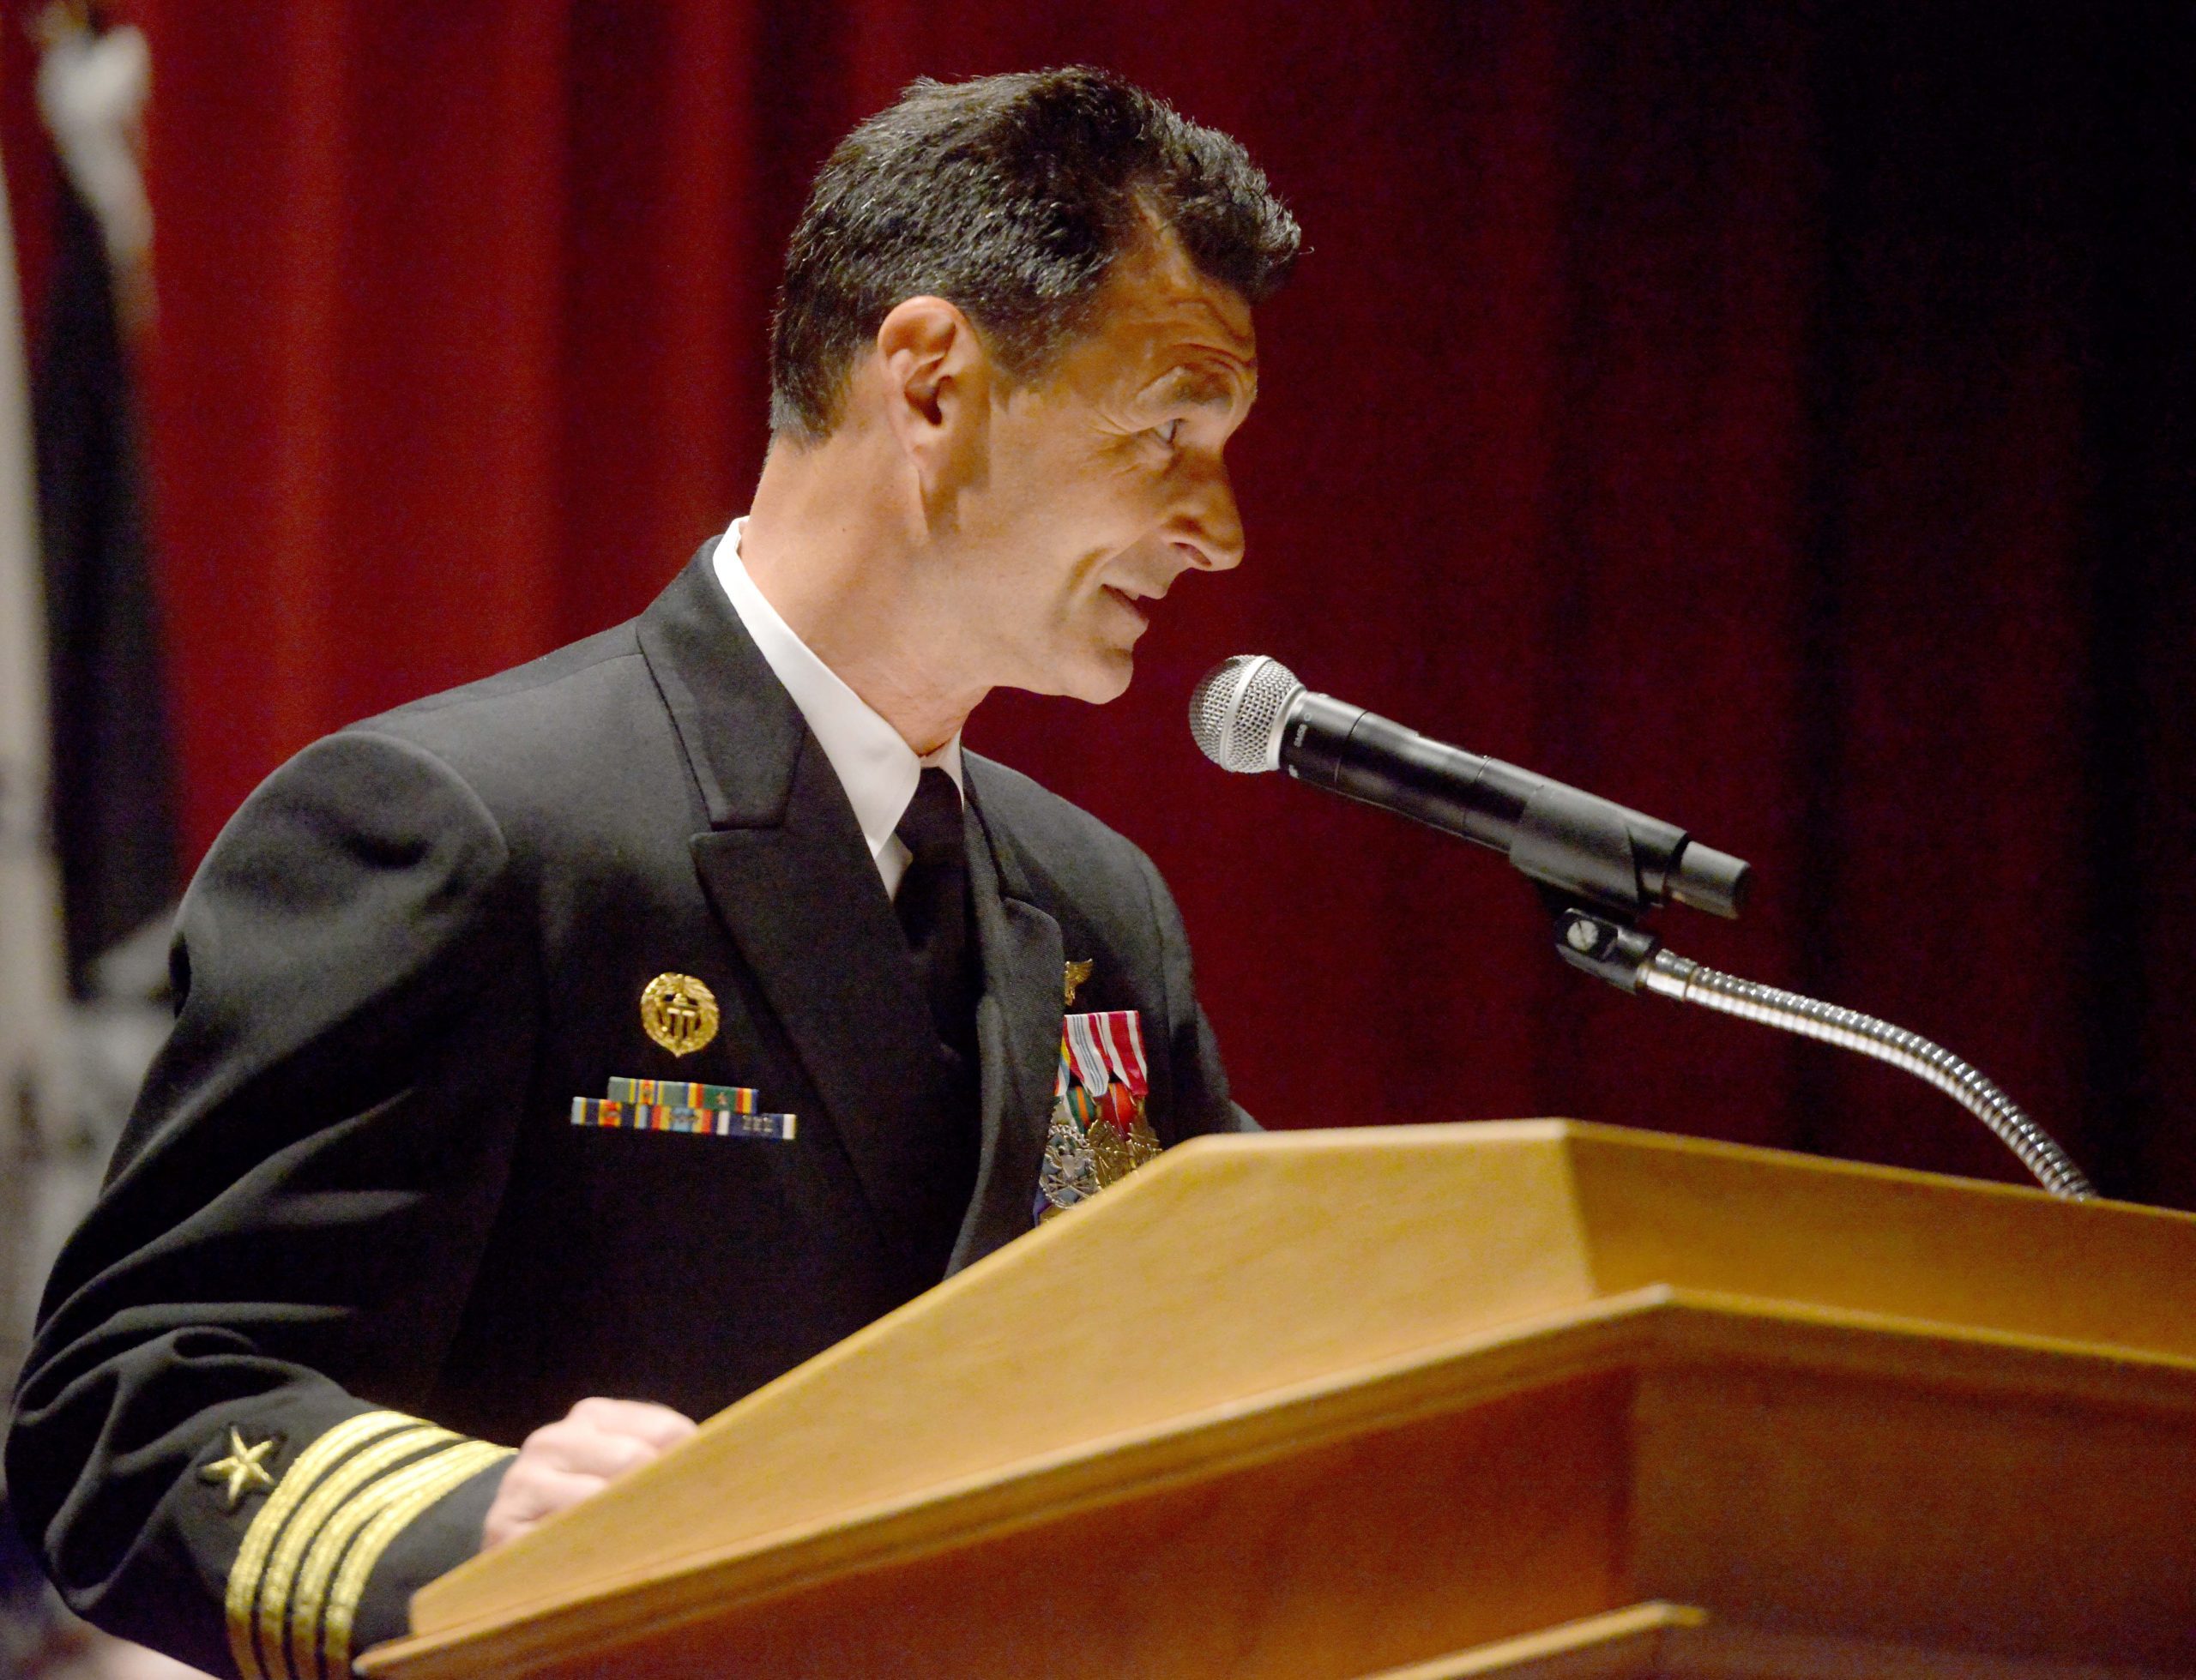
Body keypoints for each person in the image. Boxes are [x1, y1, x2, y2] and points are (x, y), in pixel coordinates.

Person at [5, 64, 1299, 1680]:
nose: (1219, 529)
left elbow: (1242, 1364)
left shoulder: (1100, 907)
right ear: (931, 385)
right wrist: (478, 1527)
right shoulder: (464, 829)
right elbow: (129, 1406)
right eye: (1169, 431)